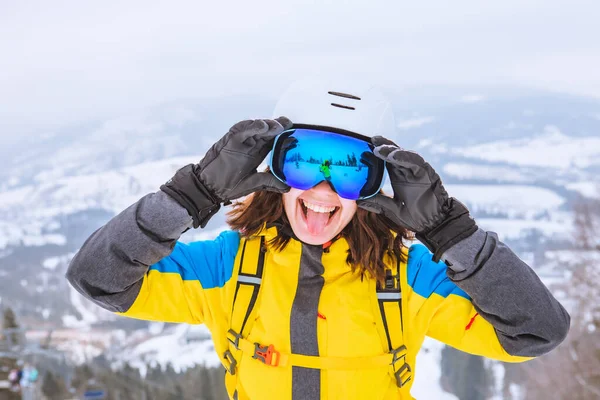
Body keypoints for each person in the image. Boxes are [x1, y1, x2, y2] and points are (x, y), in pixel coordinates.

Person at [66, 78, 570, 400]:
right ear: (275, 171)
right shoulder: (230, 269)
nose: (325, 190)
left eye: (350, 171)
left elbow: (536, 331)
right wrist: (190, 195)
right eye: (307, 163)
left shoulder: (408, 280)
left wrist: (451, 234)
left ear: (378, 186)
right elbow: (98, 280)